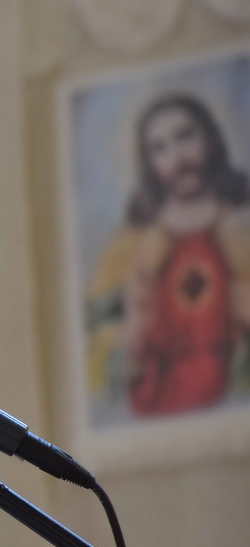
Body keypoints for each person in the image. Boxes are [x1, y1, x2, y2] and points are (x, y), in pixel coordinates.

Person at [87, 93, 250, 417]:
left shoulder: (241, 230)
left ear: (210, 138)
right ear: (149, 163)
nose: (178, 157)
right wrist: (132, 335)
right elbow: (99, 353)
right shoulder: (128, 249)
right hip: (160, 397)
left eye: (185, 136)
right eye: (160, 148)